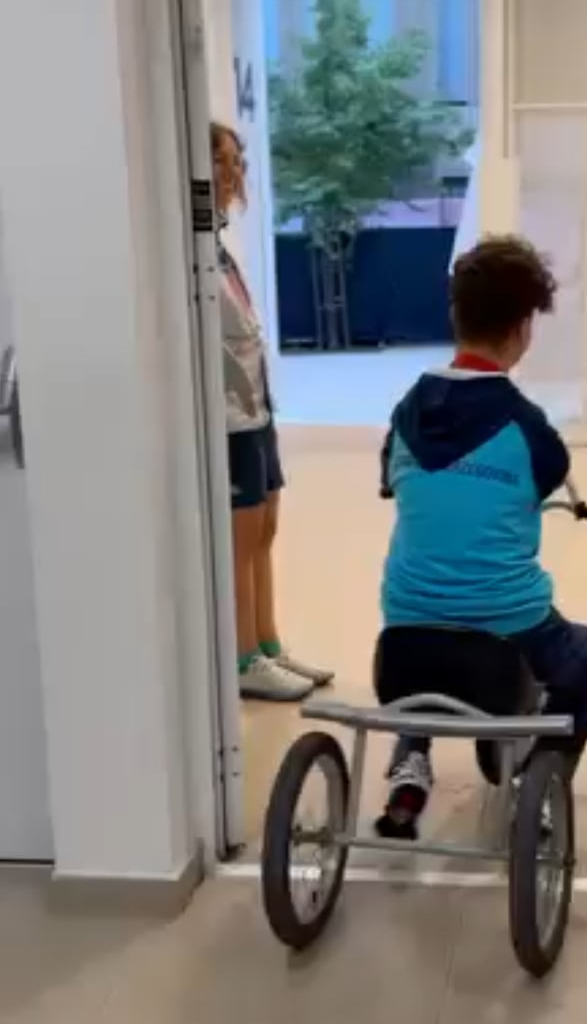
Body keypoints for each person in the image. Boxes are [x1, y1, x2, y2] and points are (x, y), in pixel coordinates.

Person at [375, 235, 587, 836]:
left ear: (456, 314)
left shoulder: (405, 414)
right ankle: (540, 779)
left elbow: (395, 483)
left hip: (404, 633)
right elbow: (547, 480)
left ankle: (410, 764)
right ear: (522, 328)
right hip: (510, 629)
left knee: (434, 619)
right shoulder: (528, 428)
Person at [211, 122, 332, 701]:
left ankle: (267, 645)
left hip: (257, 410)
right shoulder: (189, 248)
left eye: (236, 160)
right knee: (239, 538)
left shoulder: (217, 246)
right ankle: (241, 659)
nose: (233, 172)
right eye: (221, 159)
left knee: (265, 530)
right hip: (229, 420)